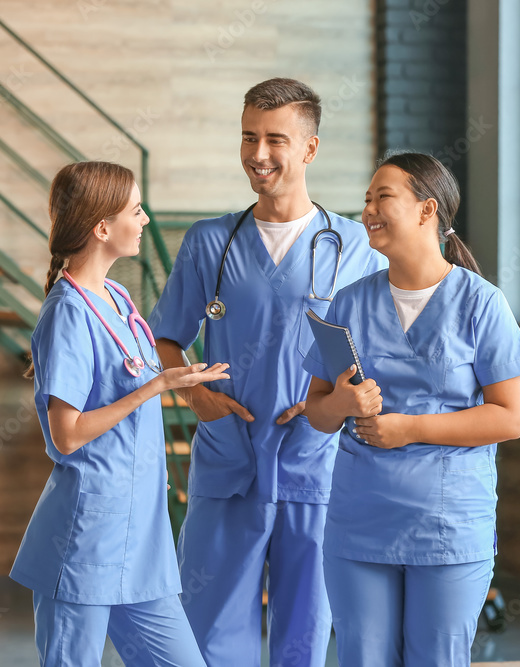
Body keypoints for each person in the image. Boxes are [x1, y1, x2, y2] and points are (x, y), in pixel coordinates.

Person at [149, 78, 386, 666]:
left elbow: (381, 347)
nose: (258, 153)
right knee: (206, 634)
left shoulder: (355, 245)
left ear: (309, 149)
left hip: (319, 463)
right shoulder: (211, 242)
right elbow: (165, 336)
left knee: (305, 635)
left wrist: (332, 404)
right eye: (248, 137)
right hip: (229, 459)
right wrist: (198, 397)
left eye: (275, 139)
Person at [302, 152, 520, 667]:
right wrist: (341, 401)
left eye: (382, 197)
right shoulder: (348, 303)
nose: (368, 210)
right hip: (359, 526)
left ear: (427, 209)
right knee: (364, 659)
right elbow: (316, 412)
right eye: (366, 199)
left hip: (447, 528)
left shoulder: (481, 303)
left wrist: (408, 428)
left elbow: (510, 417)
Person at [11, 161, 228, 666]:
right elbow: (65, 437)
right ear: (102, 228)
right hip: (86, 539)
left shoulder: (119, 296)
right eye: (136, 210)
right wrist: (157, 386)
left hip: (140, 539)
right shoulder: (67, 312)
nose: (147, 219)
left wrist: (179, 381)